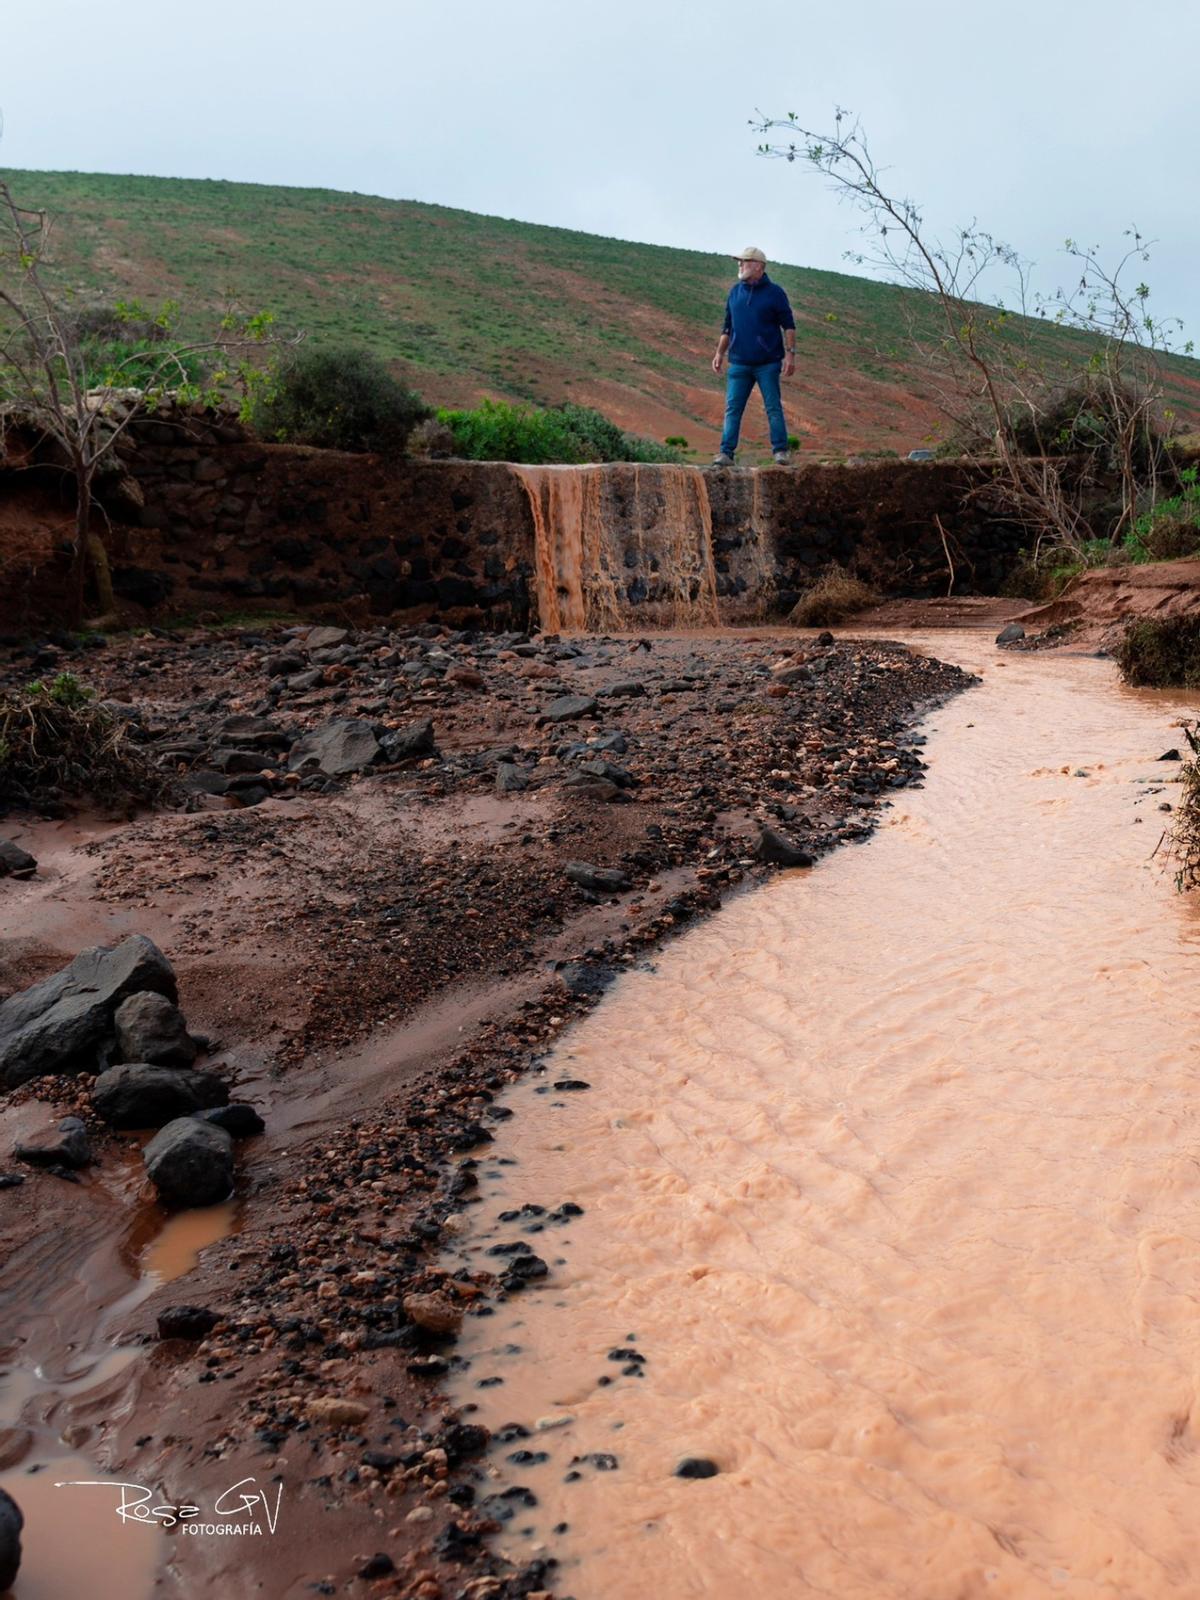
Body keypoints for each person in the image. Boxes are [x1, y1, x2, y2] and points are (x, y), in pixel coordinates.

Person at [711, 247, 796, 466]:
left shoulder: (775, 293)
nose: (740, 265)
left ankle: (781, 451)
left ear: (758, 266)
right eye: (739, 262)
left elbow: (788, 325)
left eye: (744, 261)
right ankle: (726, 453)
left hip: (767, 363)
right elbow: (727, 327)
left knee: (772, 407)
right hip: (739, 363)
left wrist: (790, 355)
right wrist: (720, 353)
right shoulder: (734, 292)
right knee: (733, 409)